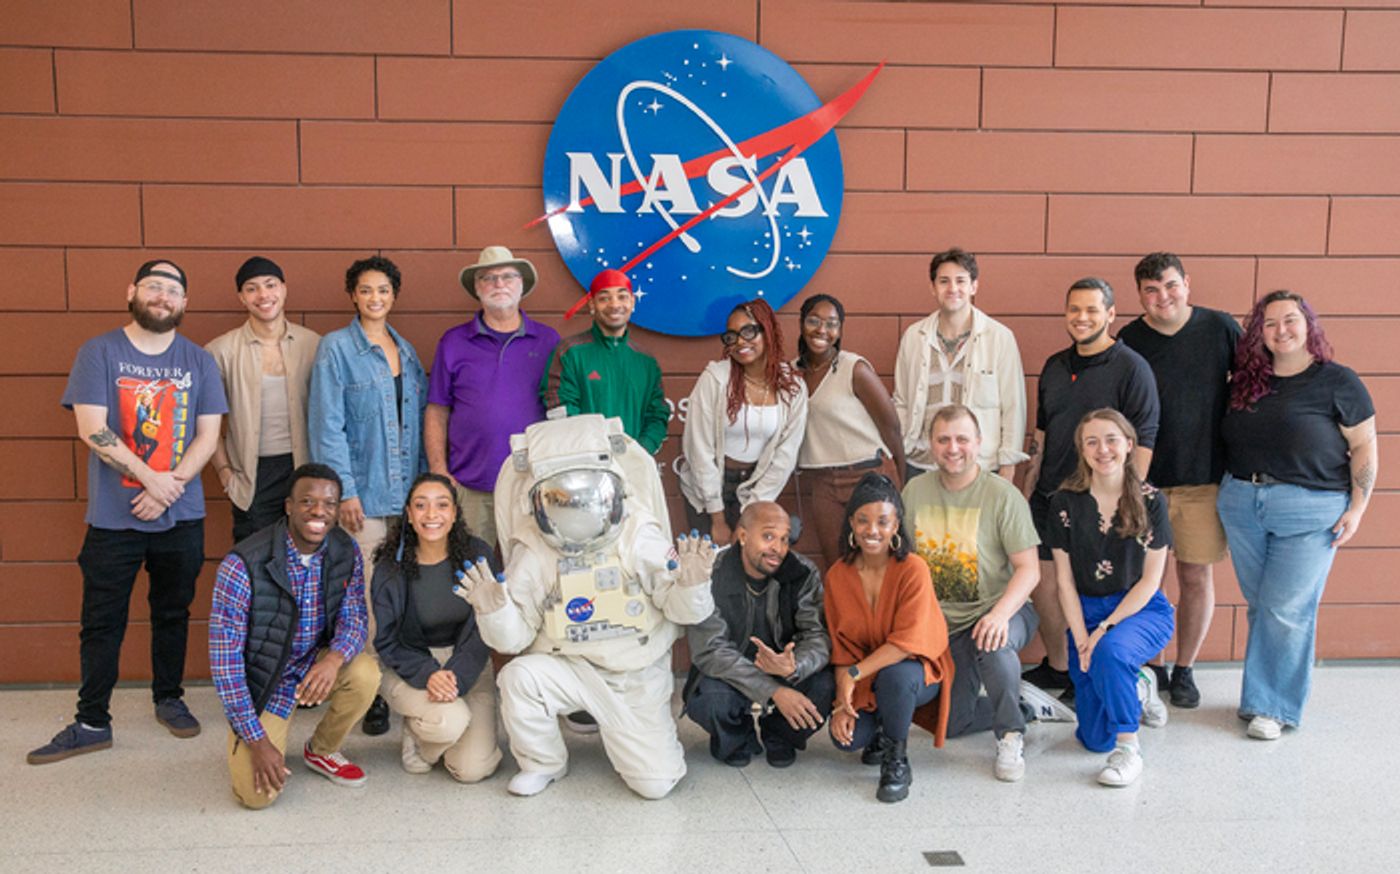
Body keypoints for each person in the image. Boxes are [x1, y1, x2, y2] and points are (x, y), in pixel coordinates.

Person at [29, 260, 227, 765]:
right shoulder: (99, 352)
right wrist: (152, 479)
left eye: (173, 290)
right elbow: (91, 428)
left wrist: (169, 487)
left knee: (172, 612)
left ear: (184, 304)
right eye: (154, 286)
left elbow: (209, 436)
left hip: (180, 517)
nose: (163, 296)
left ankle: (170, 698)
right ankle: (92, 719)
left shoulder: (199, 361)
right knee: (102, 621)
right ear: (132, 293)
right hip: (114, 520)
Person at [457, 415, 715, 800]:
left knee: (655, 785)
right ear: (539, 500)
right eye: (560, 498)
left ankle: (632, 736)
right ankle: (543, 763)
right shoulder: (534, 547)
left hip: (632, 673)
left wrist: (692, 585)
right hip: (567, 664)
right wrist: (495, 611)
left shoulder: (638, 533)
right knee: (519, 678)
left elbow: (682, 612)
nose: (575, 505)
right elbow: (515, 639)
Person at [1217, 290, 1377, 742]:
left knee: (1286, 608)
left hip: (1311, 508)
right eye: (1270, 323)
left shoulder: (1338, 381)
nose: (1281, 330)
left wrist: (1359, 507)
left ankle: (1274, 707)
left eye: (1290, 320)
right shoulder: (1243, 382)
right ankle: (1260, 697)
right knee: (1265, 606)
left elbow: (1364, 445)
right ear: (1258, 332)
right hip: (1243, 503)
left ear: (1309, 325)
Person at [903, 405, 1073, 783]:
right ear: (931, 444)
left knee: (992, 644)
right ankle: (1020, 703)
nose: (953, 448)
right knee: (954, 723)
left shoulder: (1001, 495)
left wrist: (998, 615)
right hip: (945, 626)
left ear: (979, 444)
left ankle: (1011, 733)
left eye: (962, 439)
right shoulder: (915, 491)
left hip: (1004, 610)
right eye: (943, 439)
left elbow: (1029, 570)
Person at [207, 464, 381, 809]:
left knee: (365, 673)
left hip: (314, 664)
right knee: (255, 797)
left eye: (329, 503)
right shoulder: (243, 564)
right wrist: (257, 741)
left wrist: (333, 659)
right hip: (267, 680)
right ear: (288, 506)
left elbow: (355, 618)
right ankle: (255, 741)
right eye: (307, 501)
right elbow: (225, 667)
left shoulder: (344, 551)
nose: (319, 511)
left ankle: (322, 749)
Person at [1022, 277, 1159, 697]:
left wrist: (1127, 502)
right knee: (1045, 586)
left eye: (1092, 310)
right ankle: (1061, 667)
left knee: (1098, 589)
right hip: (1051, 496)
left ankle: (1103, 668)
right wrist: (1030, 484)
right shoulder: (1055, 366)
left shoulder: (1131, 367)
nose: (1082, 318)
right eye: (1074, 310)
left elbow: (1145, 439)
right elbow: (1043, 435)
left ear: (1111, 314)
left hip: (1103, 501)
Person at [309, 255, 427, 737]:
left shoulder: (407, 350)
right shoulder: (336, 349)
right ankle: (369, 694)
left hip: (404, 500)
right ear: (352, 296)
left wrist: (421, 494)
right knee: (364, 600)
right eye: (365, 290)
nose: (375, 298)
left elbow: (416, 427)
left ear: (394, 295)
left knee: (399, 598)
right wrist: (345, 493)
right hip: (363, 498)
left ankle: (395, 683)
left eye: (383, 290)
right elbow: (327, 426)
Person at [1118, 252, 1242, 708]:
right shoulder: (1130, 338)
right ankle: (1153, 665)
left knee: (1194, 576)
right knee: (1146, 580)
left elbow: (1252, 386)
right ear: (1139, 296)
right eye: (1151, 290)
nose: (1162, 297)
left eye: (1170, 286)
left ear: (1187, 283)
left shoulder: (1221, 329)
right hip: (1144, 482)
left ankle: (1186, 667)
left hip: (1203, 478)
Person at [1047, 409, 1175, 787]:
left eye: (1112, 439)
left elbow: (1151, 581)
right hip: (1084, 612)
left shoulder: (1152, 501)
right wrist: (1081, 636)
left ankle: (1129, 750)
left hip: (1139, 610)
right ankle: (1141, 685)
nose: (1103, 449)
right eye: (1092, 441)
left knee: (1112, 653)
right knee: (1092, 739)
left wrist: (1103, 630)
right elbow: (1064, 583)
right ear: (1082, 451)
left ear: (1129, 445)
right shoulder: (1065, 503)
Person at [825, 473, 954, 803]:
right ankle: (880, 730)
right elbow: (842, 650)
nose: (872, 530)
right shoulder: (838, 576)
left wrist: (854, 675)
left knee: (896, 678)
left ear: (896, 526)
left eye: (883, 521)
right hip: (866, 677)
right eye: (863, 520)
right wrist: (842, 702)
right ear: (851, 523)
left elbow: (905, 643)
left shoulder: (913, 569)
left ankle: (897, 760)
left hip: (914, 670)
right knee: (847, 741)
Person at [426, 245, 560, 547]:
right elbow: (437, 410)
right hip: (470, 486)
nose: (499, 284)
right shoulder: (453, 342)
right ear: (477, 287)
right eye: (489, 278)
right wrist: (438, 470)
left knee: (530, 575)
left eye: (508, 276)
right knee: (472, 573)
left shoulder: (549, 340)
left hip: (531, 484)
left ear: (521, 285)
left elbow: (560, 411)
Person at [371, 473, 501, 782]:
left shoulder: (477, 554)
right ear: (409, 515)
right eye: (421, 506)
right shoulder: (390, 568)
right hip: (409, 667)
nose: (432, 515)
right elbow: (387, 641)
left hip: (468, 663)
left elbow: (485, 625)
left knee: (473, 770)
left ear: (454, 514)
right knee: (449, 721)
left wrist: (455, 674)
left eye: (442, 505)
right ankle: (421, 736)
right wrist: (429, 673)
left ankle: (431, 739)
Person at [684, 501, 833, 768]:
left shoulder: (801, 573)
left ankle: (780, 735)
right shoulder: (711, 572)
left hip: (784, 667)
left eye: (784, 539)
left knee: (824, 686)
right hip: (730, 672)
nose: (778, 548)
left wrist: (794, 665)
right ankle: (737, 738)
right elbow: (710, 650)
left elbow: (817, 636)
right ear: (742, 536)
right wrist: (773, 691)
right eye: (768, 536)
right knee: (710, 700)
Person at [207, 256, 320, 543]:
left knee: (307, 557)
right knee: (257, 562)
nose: (263, 295)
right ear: (242, 298)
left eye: (270, 285)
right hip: (252, 474)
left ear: (284, 289)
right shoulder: (221, 351)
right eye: (252, 288)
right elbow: (204, 421)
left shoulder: (314, 345)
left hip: (303, 467)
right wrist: (225, 474)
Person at [678, 299, 808, 544]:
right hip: (708, 489)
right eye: (732, 336)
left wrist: (750, 513)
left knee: (749, 566)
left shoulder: (792, 386)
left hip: (756, 486)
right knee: (710, 570)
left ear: (767, 329)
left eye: (749, 331)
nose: (740, 342)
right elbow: (699, 449)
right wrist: (717, 519)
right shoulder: (715, 379)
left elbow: (785, 456)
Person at [893, 247, 1027, 480]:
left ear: (974, 286)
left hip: (980, 466)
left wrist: (1008, 465)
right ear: (932, 287)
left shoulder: (999, 337)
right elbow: (902, 402)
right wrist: (901, 451)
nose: (953, 288)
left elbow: (1013, 407)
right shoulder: (914, 337)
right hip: (922, 464)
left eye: (961, 281)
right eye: (944, 281)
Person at [793, 293, 906, 567]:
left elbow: (891, 426)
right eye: (814, 321)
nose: (822, 330)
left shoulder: (853, 368)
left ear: (840, 330)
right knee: (838, 565)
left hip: (868, 474)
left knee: (879, 560)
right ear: (801, 324)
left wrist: (902, 484)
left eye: (831, 323)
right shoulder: (790, 374)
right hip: (822, 482)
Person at [541, 268, 669, 454]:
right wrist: (596, 450)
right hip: (585, 465)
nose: (614, 304)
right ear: (592, 305)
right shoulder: (569, 352)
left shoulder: (646, 361)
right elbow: (559, 406)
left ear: (632, 302)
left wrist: (640, 452)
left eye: (622, 296)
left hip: (634, 466)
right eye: (604, 298)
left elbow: (657, 415)